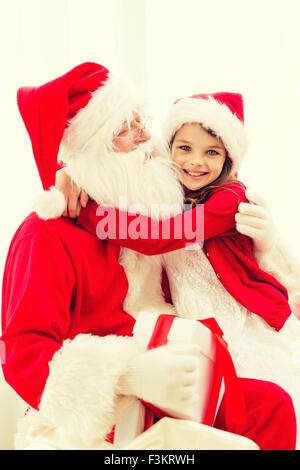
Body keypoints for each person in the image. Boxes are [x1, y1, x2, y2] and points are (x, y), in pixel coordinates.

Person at [0, 62, 297, 450]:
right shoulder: (45, 234)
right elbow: (22, 352)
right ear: (94, 149)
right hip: (101, 409)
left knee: (272, 406)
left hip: (171, 383)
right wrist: (127, 375)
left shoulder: (145, 208)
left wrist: (266, 243)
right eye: (126, 128)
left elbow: (183, 194)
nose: (146, 136)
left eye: (143, 120)